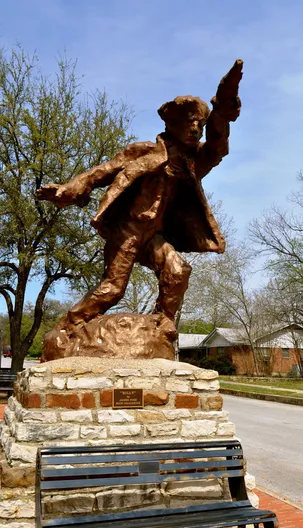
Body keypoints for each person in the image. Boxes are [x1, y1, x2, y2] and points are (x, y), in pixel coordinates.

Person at [37, 60, 243, 328]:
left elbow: (217, 149)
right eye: (190, 125)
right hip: (128, 232)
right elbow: (104, 171)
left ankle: (163, 325)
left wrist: (222, 110)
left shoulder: (192, 164)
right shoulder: (144, 152)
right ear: (173, 125)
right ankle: (66, 328)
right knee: (113, 289)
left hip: (154, 236)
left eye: (200, 127)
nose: (196, 131)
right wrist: (70, 188)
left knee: (178, 270)